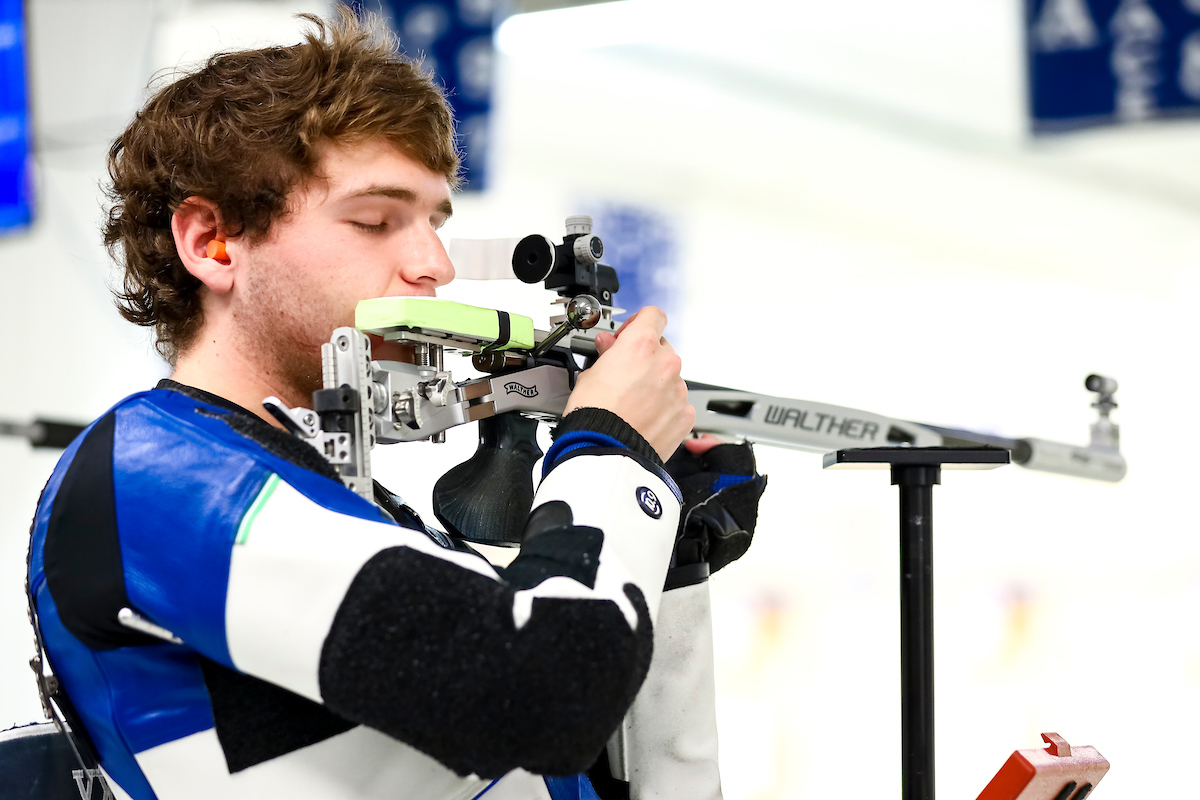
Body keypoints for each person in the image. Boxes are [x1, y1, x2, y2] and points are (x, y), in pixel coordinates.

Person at [27, 9, 765, 800]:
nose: (435, 264)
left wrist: (669, 553)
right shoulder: (152, 479)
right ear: (212, 241)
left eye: (435, 223)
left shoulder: (363, 514)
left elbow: (578, 763)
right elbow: (543, 695)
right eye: (375, 220)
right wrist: (610, 450)